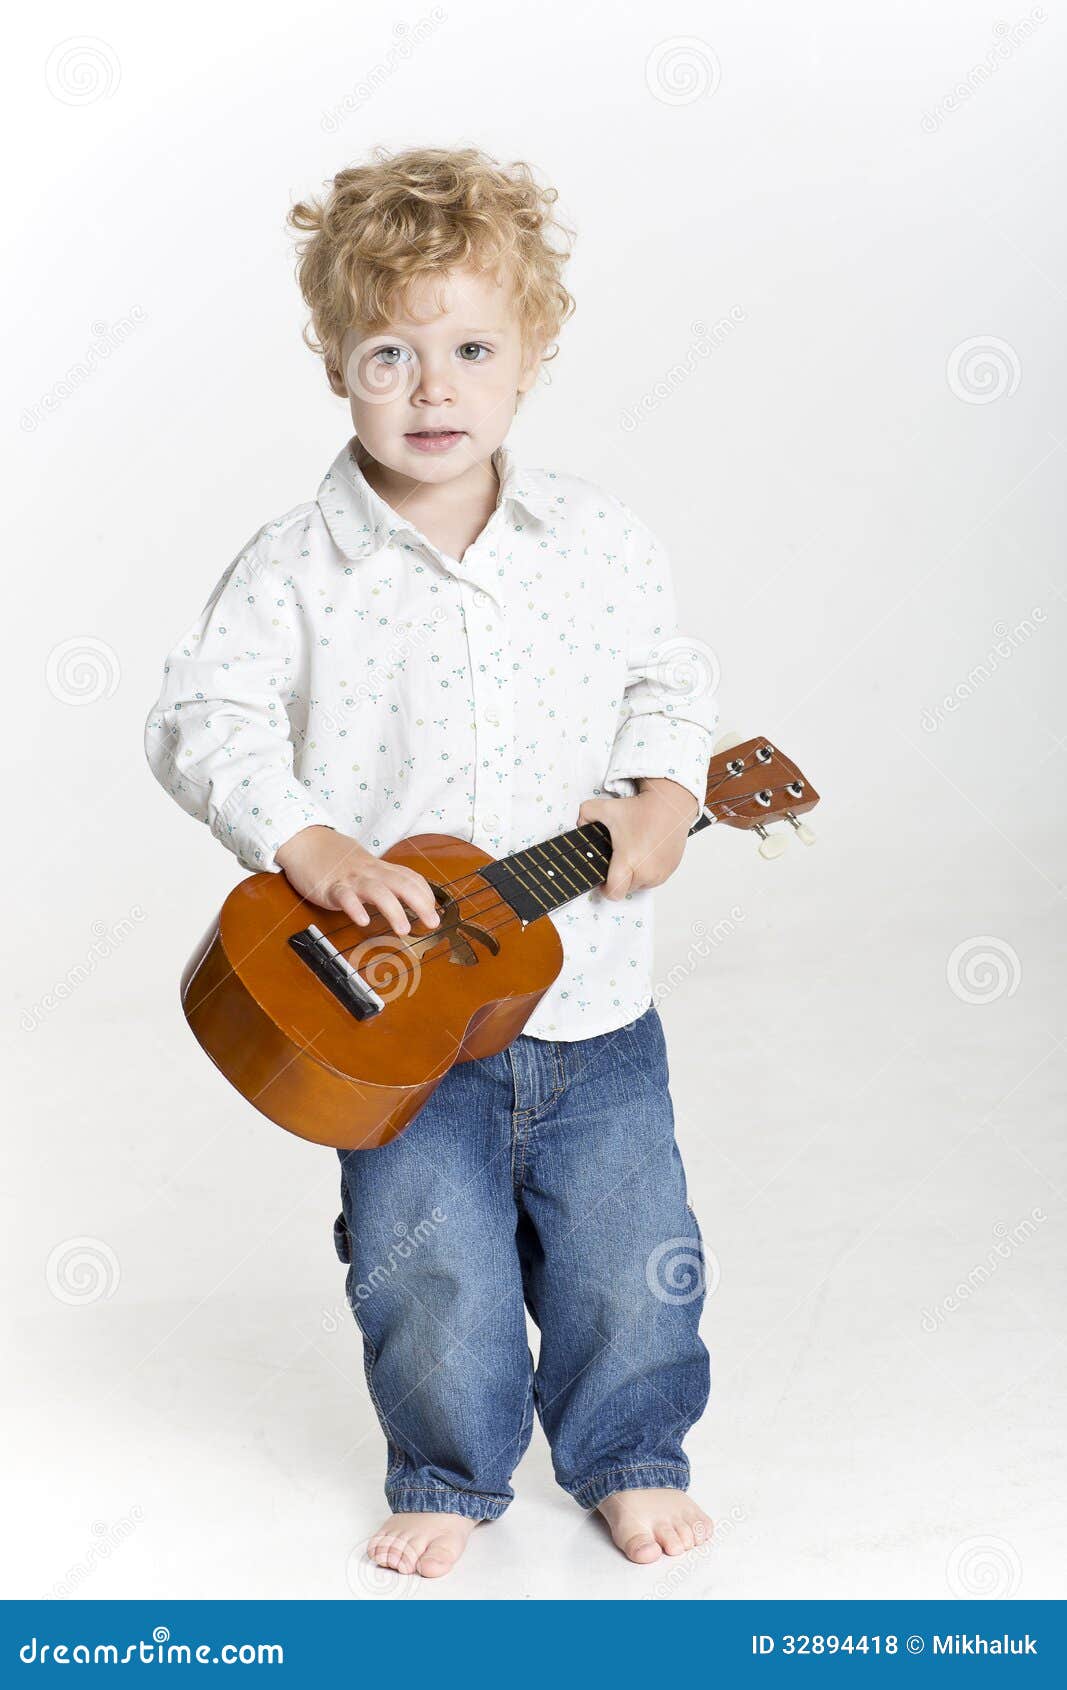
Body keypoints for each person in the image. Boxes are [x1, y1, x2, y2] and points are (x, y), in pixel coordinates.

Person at [144, 145, 719, 1580]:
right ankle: (449, 1470)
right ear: (335, 361)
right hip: (393, 1016)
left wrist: (666, 789)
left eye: (471, 349)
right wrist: (308, 838)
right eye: (389, 353)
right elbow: (196, 715)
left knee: (628, 1251)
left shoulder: (599, 543)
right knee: (430, 1272)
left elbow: (670, 680)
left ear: (535, 356)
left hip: (590, 998)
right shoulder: (295, 564)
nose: (433, 389)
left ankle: (632, 1449)